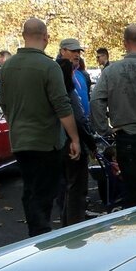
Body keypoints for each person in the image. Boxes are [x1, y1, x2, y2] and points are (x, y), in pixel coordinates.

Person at [0, 18, 80, 237]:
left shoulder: (7, 68)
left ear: (24, 36)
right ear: (46, 37)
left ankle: (36, 231)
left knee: (30, 189)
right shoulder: (49, 67)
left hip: (20, 140)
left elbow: (4, 104)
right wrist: (74, 138)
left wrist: (16, 124)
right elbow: (63, 106)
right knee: (45, 191)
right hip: (46, 141)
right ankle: (41, 235)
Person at [90, 24, 136, 208]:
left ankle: (133, 228)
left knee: (130, 190)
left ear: (124, 43)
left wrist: (104, 129)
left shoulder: (110, 71)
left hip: (125, 137)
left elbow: (96, 100)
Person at [55, 57, 94, 226]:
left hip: (58, 144)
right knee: (76, 190)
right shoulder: (70, 93)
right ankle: (74, 225)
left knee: (65, 190)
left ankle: (66, 223)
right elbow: (79, 119)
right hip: (72, 144)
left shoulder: (54, 93)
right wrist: (90, 142)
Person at [59, 38, 90, 116]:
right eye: (73, 51)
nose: (77, 54)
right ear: (62, 51)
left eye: (78, 51)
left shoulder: (80, 74)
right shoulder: (57, 73)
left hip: (85, 123)